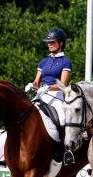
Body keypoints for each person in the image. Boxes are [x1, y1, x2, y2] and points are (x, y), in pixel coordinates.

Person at [25, 28, 74, 164]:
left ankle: (66, 151)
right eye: (48, 42)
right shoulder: (43, 62)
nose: (49, 44)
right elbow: (37, 82)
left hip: (56, 96)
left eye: (52, 41)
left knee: (63, 118)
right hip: (41, 95)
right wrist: (32, 85)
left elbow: (63, 84)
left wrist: (48, 87)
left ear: (61, 43)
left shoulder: (65, 61)